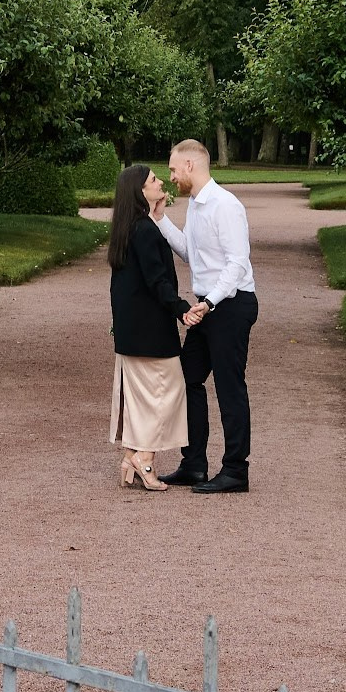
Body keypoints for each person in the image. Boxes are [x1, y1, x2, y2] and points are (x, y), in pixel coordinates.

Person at [155, 138, 257, 493]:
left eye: (173, 169)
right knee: (187, 378)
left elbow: (237, 263)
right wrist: (160, 219)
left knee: (229, 387)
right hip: (209, 306)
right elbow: (191, 253)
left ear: (190, 165)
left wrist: (210, 302)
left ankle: (236, 471)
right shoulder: (196, 206)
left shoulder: (225, 205)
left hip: (231, 305)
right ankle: (194, 464)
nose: (171, 177)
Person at [107, 164, 187, 491]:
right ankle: (145, 457)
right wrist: (182, 309)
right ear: (140, 191)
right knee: (168, 392)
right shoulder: (143, 231)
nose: (161, 182)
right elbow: (157, 280)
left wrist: (157, 215)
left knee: (143, 398)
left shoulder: (129, 228)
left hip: (132, 329)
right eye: (154, 179)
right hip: (150, 331)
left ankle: (132, 457)